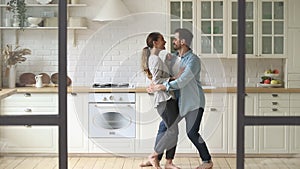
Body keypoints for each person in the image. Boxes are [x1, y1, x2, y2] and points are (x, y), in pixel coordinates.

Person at [147, 28, 213, 169]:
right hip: (179, 102)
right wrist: (153, 84)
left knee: (191, 132)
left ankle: (207, 161)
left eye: (175, 39)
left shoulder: (193, 60)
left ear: (183, 41)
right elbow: (162, 74)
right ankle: (156, 159)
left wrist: (162, 86)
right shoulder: (173, 58)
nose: (173, 41)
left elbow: (182, 81)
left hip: (194, 102)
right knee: (164, 127)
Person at [140, 32, 181, 169]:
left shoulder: (156, 59)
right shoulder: (154, 59)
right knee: (172, 130)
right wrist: (174, 78)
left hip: (167, 98)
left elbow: (155, 79)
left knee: (167, 128)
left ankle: (167, 161)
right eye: (162, 40)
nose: (165, 42)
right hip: (164, 99)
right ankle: (155, 155)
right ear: (155, 43)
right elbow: (158, 81)